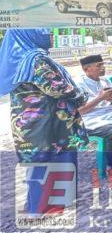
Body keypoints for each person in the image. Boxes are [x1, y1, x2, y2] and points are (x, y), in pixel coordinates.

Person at [2, 29, 88, 216]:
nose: (51, 36)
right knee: (48, 160)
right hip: (46, 124)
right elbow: (57, 88)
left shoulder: (20, 58)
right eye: (46, 33)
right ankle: (41, 209)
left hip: (33, 124)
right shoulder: (35, 60)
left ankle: (43, 204)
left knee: (40, 162)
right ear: (32, 35)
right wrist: (81, 95)